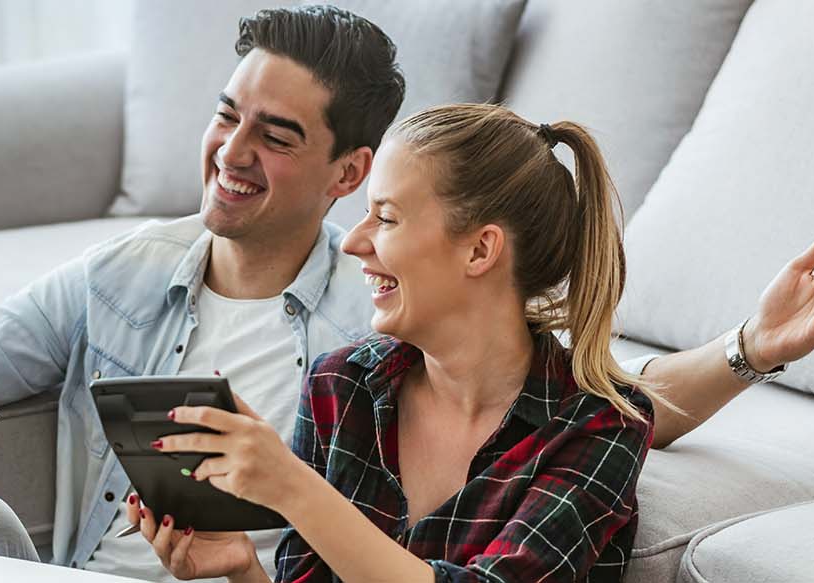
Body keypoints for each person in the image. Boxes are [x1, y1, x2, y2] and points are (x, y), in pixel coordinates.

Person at [0, 5, 814, 581]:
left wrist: (750, 349)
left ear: (352, 176)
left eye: (275, 135)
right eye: (226, 115)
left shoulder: (480, 376)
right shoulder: (339, 376)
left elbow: (609, 401)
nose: (230, 150)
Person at [134, 103, 651, 583]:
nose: (354, 242)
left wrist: (293, 488)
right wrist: (243, 568)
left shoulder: (601, 424)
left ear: (479, 249)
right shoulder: (341, 384)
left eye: (385, 217)